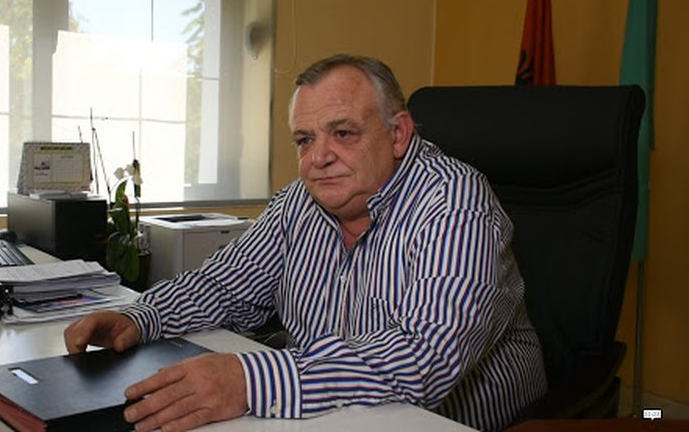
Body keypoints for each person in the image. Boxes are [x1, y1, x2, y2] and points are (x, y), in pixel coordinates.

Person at [64, 54, 547, 432]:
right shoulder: (302, 200)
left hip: (451, 420)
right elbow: (225, 286)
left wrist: (251, 380)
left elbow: (425, 356)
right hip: (330, 410)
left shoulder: (455, 204)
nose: (318, 158)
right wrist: (140, 316)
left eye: (343, 133)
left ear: (398, 134)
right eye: (304, 140)